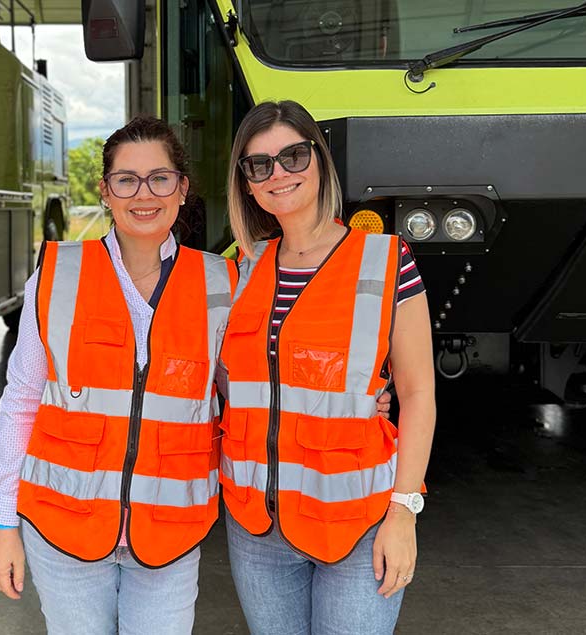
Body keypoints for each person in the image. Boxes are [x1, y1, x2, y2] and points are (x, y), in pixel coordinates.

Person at [0, 115, 238, 634]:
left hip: (169, 536)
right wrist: (3, 521)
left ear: (182, 187)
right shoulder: (56, 276)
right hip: (63, 534)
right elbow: (22, 400)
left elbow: (252, 395)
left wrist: (361, 402)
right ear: (105, 190)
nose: (143, 194)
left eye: (160, 177)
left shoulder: (220, 283)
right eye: (126, 179)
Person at [219, 100, 436, 635]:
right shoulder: (239, 270)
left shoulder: (387, 259)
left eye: (293, 156)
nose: (279, 174)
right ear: (246, 183)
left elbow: (417, 392)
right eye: (259, 165)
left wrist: (405, 512)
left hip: (358, 523)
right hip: (256, 529)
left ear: (320, 161)